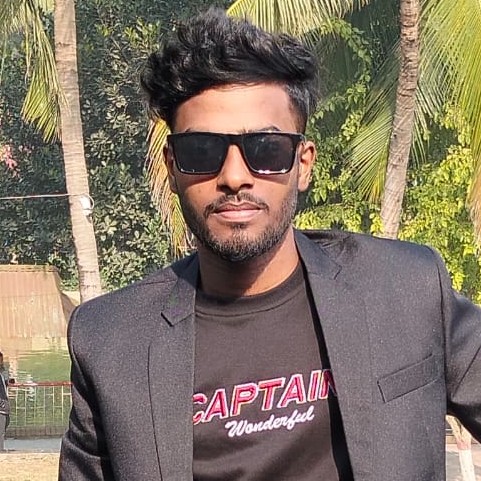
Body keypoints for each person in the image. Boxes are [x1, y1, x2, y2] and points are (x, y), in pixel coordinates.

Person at [58, 8, 481, 481]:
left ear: (303, 164)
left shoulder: (405, 289)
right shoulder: (111, 341)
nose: (234, 177)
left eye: (266, 149)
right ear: (173, 167)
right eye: (202, 150)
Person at [0, 351, 11, 452]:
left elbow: (4, 385)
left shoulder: (2, 374)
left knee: (5, 424)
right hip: (1, 406)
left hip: (4, 405)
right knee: (1, 430)